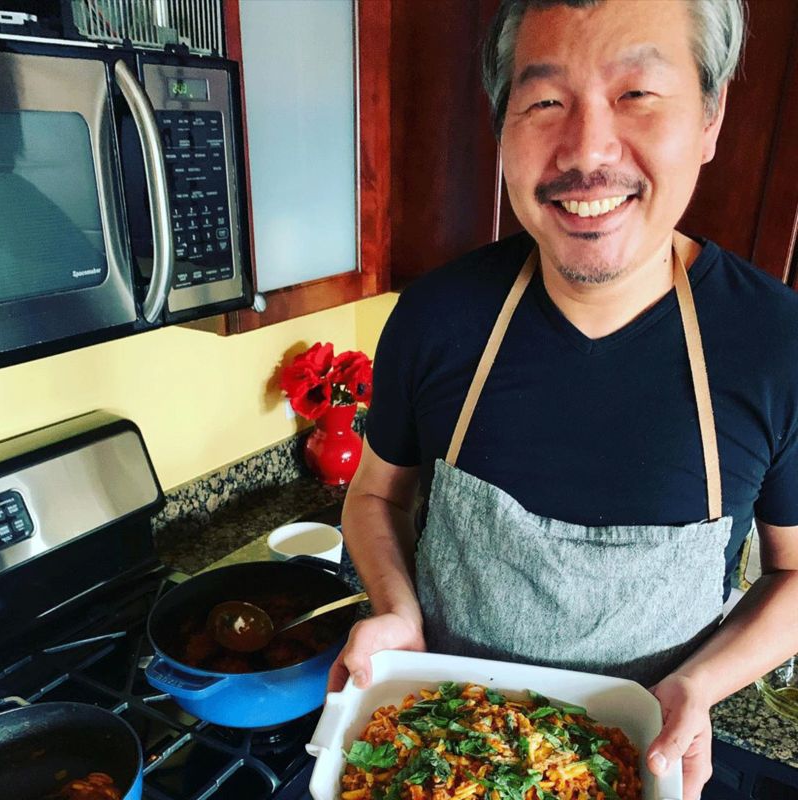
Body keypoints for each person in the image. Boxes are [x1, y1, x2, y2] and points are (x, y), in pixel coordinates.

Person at [329, 1, 798, 798]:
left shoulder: (777, 345)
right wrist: (397, 615)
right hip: (441, 751)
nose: (587, 150)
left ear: (711, 117)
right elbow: (374, 495)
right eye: (545, 101)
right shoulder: (439, 316)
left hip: (638, 760)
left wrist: (697, 689)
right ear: (503, 130)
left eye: (638, 94)